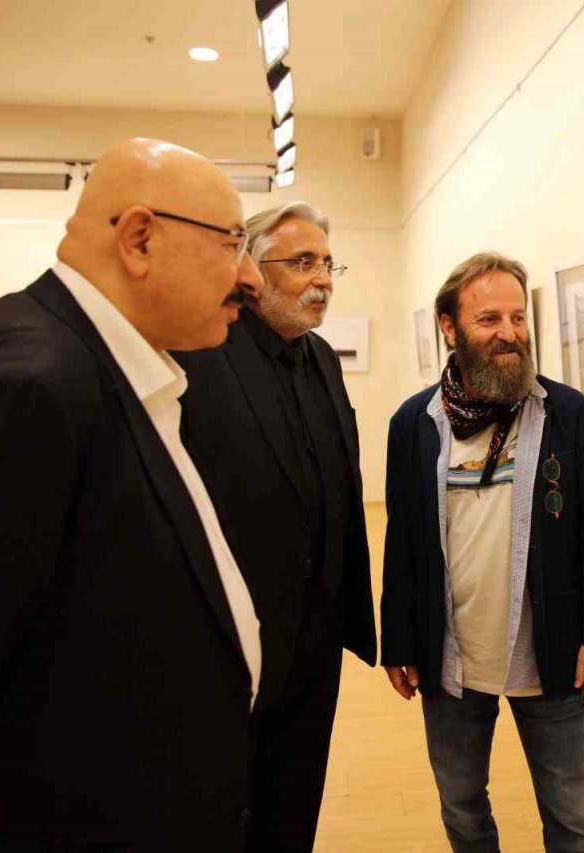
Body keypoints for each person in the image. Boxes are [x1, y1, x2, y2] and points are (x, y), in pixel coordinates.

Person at [0, 138, 266, 850]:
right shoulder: (29, 385)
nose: (249, 274)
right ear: (139, 238)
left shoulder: (111, 371)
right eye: (232, 242)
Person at [381, 252, 584, 852]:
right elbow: (403, 542)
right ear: (449, 326)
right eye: (489, 318)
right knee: (463, 812)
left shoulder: (569, 415)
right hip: (451, 658)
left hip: (552, 653)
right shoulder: (415, 422)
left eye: (518, 317)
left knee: (574, 819)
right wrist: (400, 642)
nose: (509, 332)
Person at [173, 201, 376, 852]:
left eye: (327, 262)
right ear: (252, 273)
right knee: (223, 811)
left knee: (293, 810)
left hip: (315, 642)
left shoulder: (323, 359)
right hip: (231, 645)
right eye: (303, 262)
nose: (323, 279)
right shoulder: (201, 357)